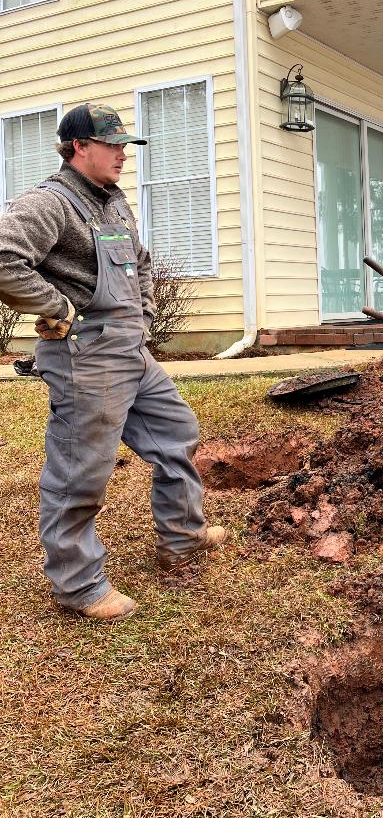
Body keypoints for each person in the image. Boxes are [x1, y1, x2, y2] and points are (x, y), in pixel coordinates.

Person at [0, 103, 225, 622]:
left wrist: (144, 316)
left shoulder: (114, 202)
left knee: (176, 434)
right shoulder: (49, 204)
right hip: (87, 355)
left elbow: (140, 262)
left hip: (130, 348)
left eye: (126, 145)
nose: (124, 154)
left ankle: (182, 537)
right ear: (79, 147)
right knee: (81, 471)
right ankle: (78, 585)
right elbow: (4, 259)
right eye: (114, 144)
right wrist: (57, 308)